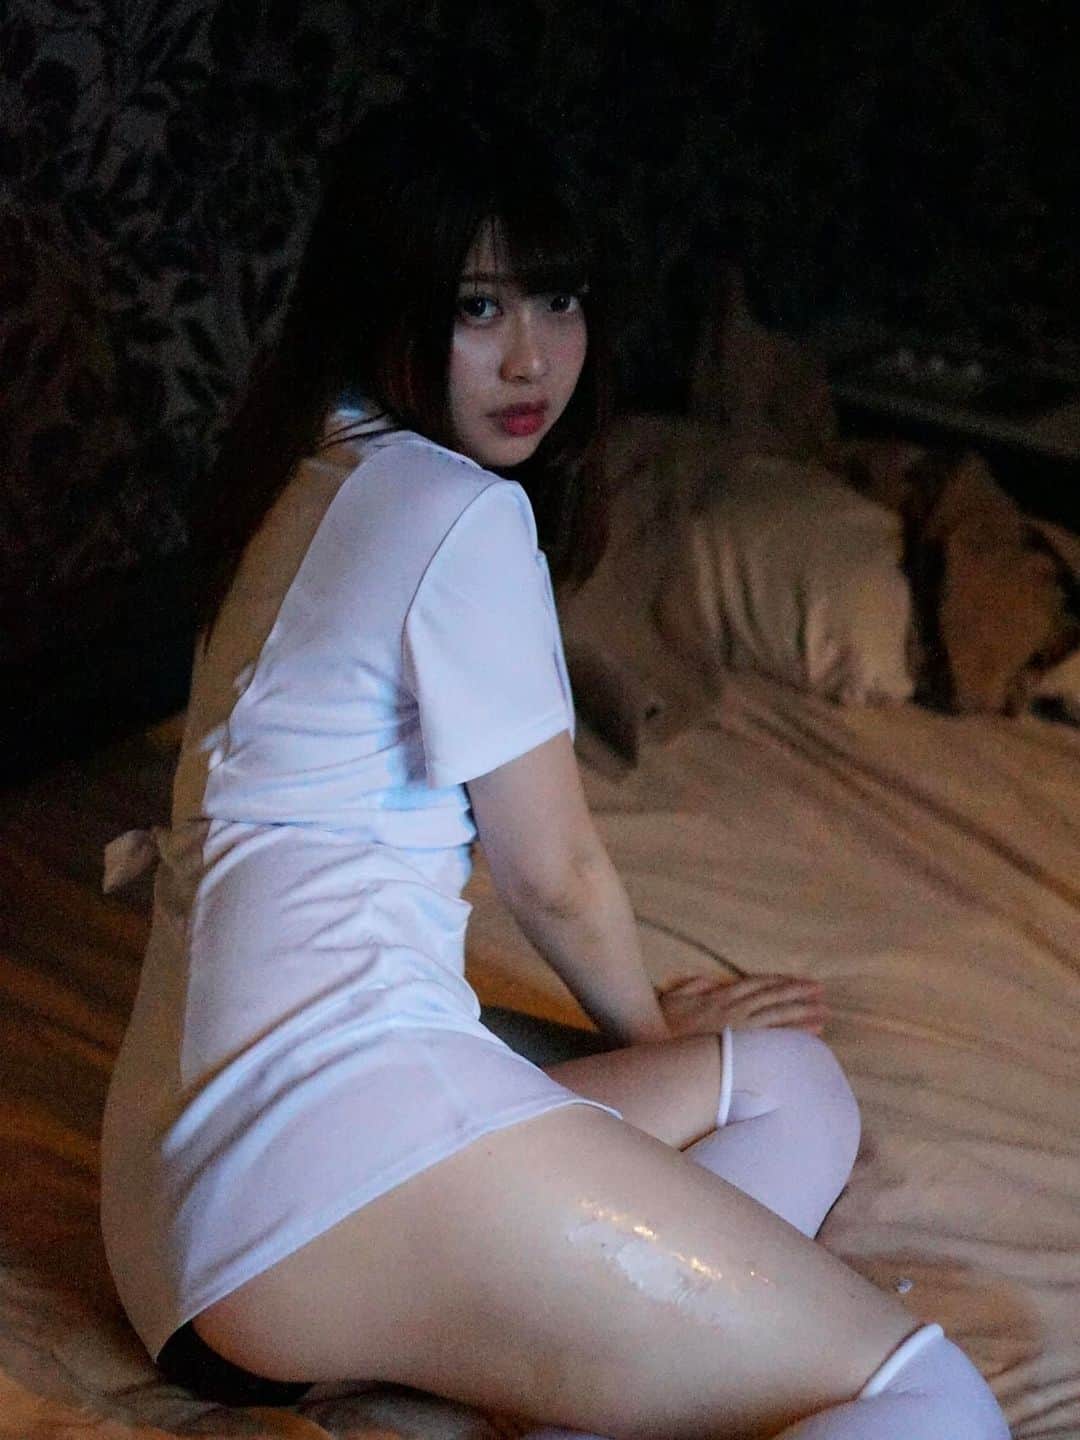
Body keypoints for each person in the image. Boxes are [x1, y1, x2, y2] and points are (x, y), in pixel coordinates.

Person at [99, 104, 1010, 1439]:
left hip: (181, 1218)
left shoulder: (306, 474)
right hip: (313, 1189)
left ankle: (583, 1380)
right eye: (478, 307)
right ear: (390, 307)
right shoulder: (454, 511)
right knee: (934, 1402)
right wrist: (648, 1034)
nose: (533, 357)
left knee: (788, 1083)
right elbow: (556, 874)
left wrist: (674, 1043)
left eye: (559, 301)